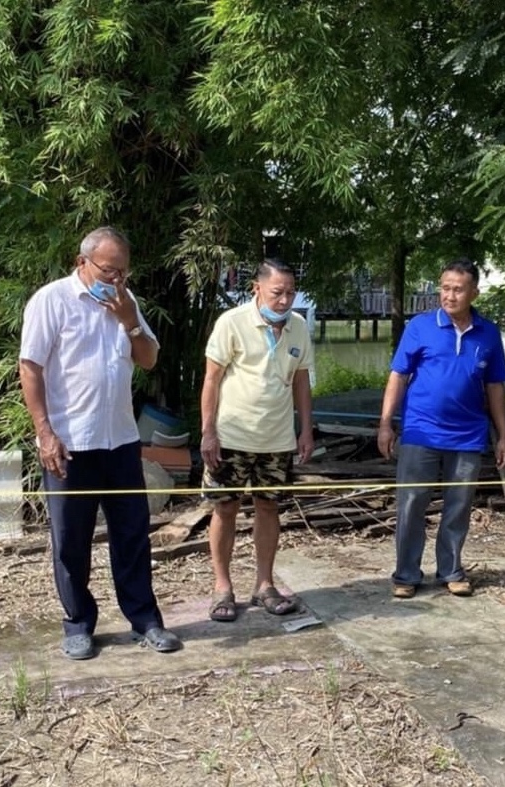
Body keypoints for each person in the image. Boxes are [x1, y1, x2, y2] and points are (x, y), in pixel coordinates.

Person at [19, 226, 182, 660]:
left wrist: (129, 321)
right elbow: (30, 368)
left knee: (132, 535)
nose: (116, 279)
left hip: (121, 440)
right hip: (70, 443)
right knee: (71, 539)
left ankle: (145, 620)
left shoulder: (126, 303)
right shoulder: (51, 300)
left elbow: (148, 358)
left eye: (123, 272)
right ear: (82, 263)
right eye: (108, 270)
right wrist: (45, 433)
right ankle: (78, 624)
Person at [377, 258, 505, 599]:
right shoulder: (420, 327)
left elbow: (495, 386)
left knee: (459, 505)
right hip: (420, 431)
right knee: (411, 503)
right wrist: (386, 423)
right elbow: (398, 376)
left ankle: (450, 570)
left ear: (474, 293)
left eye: (458, 289)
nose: (449, 296)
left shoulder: (488, 333)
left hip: (468, 435)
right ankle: (406, 573)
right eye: (445, 288)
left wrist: (503, 435)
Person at [200, 259, 314, 622]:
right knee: (225, 508)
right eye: (277, 292)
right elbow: (211, 379)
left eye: (291, 293)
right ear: (257, 289)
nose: (285, 300)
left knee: (269, 507)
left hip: (277, 438)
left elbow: (301, 380)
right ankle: (222, 586)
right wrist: (208, 431)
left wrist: (306, 429)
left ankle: (265, 584)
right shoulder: (232, 322)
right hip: (232, 436)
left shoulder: (298, 327)